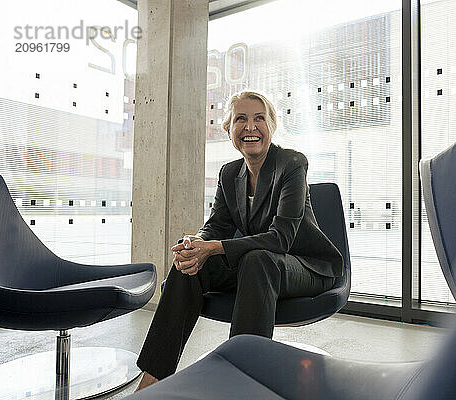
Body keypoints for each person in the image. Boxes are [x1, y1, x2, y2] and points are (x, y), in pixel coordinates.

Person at [135, 90, 344, 391]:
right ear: (229, 129)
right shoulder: (229, 173)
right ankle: (153, 380)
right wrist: (198, 242)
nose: (250, 127)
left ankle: (241, 385)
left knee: (257, 258)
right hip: (258, 268)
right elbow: (217, 225)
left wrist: (215, 247)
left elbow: (281, 239)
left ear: (272, 125)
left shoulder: (292, 164)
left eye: (260, 118)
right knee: (191, 263)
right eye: (240, 119)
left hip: (307, 266)